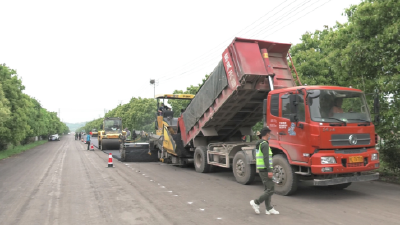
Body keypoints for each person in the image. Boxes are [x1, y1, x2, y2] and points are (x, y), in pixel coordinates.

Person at [250, 127, 279, 215]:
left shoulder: (259, 143)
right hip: (265, 170)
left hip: (262, 169)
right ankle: (256, 202)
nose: (270, 135)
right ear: (267, 134)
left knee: (268, 189)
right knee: (271, 189)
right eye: (269, 133)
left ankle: (268, 208)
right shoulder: (265, 144)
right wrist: (270, 171)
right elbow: (266, 158)